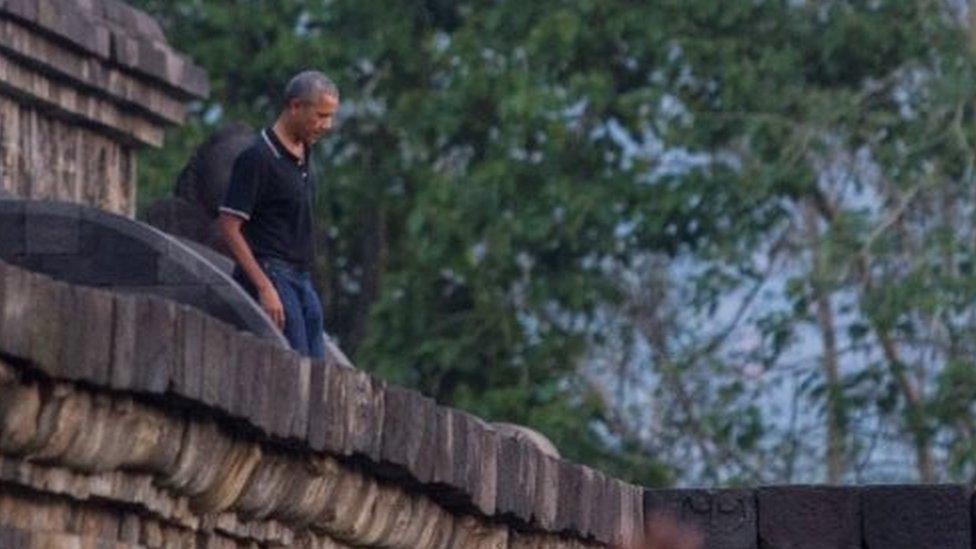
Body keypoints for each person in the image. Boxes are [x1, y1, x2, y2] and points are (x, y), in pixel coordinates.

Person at [217, 70, 339, 358]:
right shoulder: (257, 158)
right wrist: (264, 286)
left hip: (301, 275)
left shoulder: (305, 152)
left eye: (330, 116)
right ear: (295, 107)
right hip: (271, 269)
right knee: (294, 363)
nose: (327, 125)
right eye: (320, 116)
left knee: (318, 368)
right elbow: (229, 225)